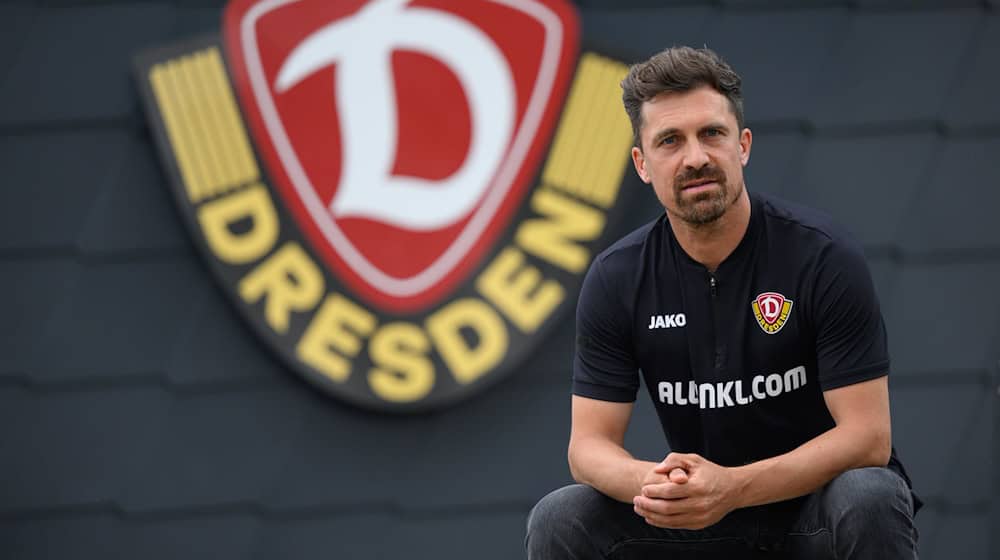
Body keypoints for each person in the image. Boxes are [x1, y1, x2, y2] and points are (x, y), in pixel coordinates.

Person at [525, 46, 920, 559]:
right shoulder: (617, 277)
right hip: (699, 527)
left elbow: (868, 439)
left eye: (712, 133)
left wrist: (731, 487)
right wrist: (661, 483)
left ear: (744, 145)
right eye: (670, 141)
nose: (695, 158)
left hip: (811, 519)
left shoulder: (822, 257)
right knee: (562, 517)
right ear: (642, 164)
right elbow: (588, 448)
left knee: (870, 492)